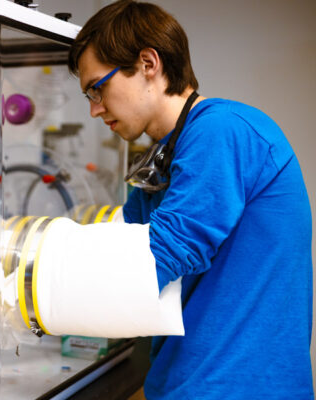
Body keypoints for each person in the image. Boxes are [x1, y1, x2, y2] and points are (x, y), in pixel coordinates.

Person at [67, 1, 313, 399]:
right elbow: (123, 249)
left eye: (98, 87)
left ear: (148, 63)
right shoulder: (163, 159)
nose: (95, 109)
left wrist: (32, 284)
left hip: (240, 388)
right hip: (184, 383)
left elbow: (151, 263)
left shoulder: (221, 130)